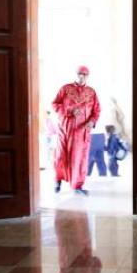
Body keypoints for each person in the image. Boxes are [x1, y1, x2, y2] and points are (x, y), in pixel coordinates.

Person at [52, 65, 100, 196]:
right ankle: (58, 180)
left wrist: (92, 121)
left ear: (88, 76)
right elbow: (55, 104)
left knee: (79, 158)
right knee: (61, 155)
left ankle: (77, 186)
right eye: (79, 73)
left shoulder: (91, 92)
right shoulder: (65, 89)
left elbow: (97, 110)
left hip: (81, 132)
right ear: (75, 74)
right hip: (65, 129)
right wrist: (70, 110)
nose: (81, 76)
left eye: (84, 74)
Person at [53, 207, 102, 273]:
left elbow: (97, 263)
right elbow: (97, 263)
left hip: (74, 253)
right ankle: (70, 209)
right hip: (74, 253)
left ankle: (69, 209)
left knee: (74, 229)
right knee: (76, 228)